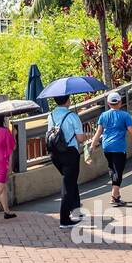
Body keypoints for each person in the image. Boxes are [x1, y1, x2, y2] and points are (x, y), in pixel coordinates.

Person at [89, 91, 132, 206]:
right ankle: (114, 196)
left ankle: (117, 194)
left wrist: (92, 145)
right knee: (118, 171)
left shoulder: (103, 115)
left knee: (112, 168)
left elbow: (98, 132)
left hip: (106, 147)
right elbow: (131, 131)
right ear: (120, 102)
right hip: (119, 147)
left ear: (109, 103)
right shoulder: (125, 115)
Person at [48, 94, 85, 228]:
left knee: (70, 180)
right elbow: (80, 139)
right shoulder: (72, 116)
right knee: (68, 184)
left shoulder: (50, 115)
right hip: (69, 153)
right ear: (68, 100)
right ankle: (64, 219)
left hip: (55, 154)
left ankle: (76, 210)